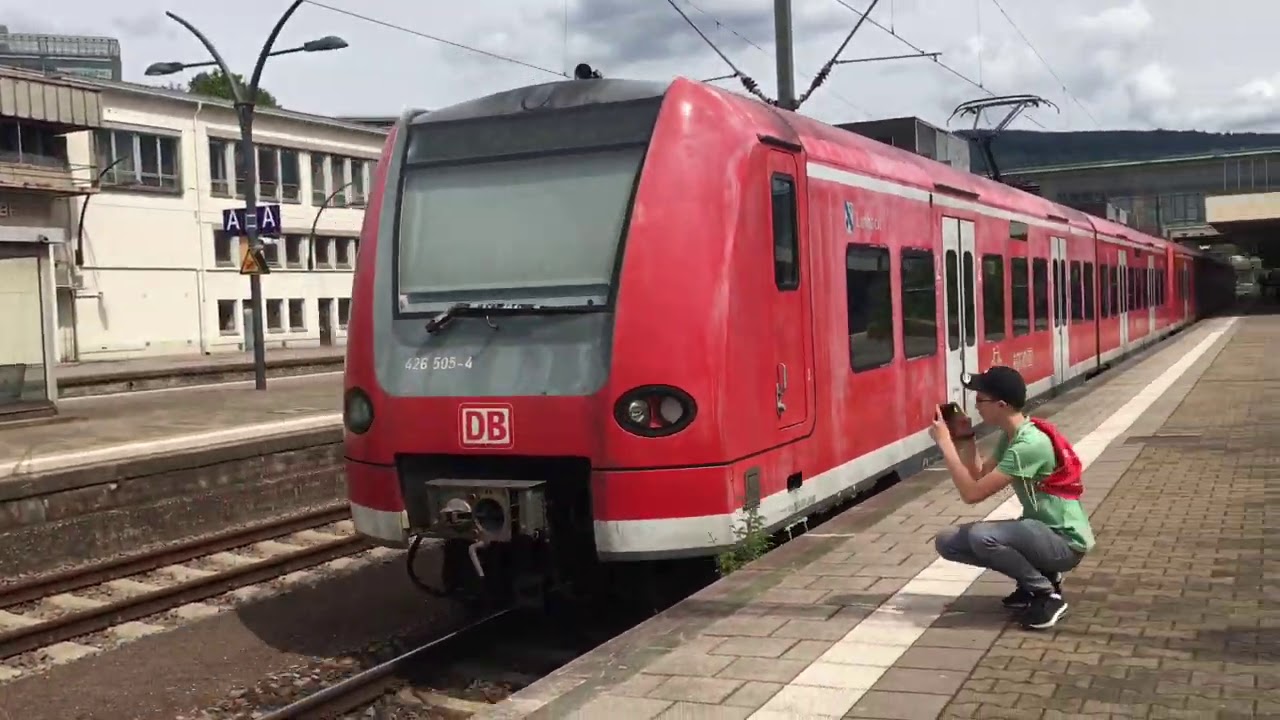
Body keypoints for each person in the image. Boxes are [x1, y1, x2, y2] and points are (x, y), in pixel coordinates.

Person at [928, 366, 1096, 630]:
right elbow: (979, 474)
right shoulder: (1012, 436)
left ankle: (1045, 593)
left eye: (980, 400)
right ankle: (1039, 577)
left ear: (1002, 405)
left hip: (1065, 542)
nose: (976, 406)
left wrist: (945, 445)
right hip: (1040, 532)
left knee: (983, 536)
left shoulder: (1029, 445)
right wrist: (965, 438)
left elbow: (972, 494)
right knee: (947, 542)